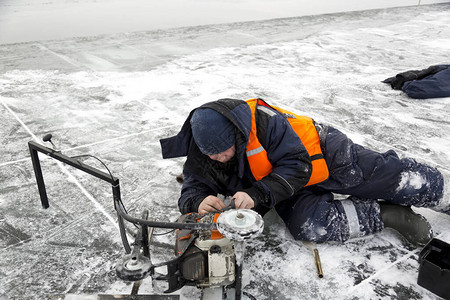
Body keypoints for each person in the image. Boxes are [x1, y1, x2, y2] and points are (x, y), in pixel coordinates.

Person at [160, 98, 447, 246]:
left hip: (321, 155)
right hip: (283, 187)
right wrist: (196, 201)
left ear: (236, 135)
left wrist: (258, 192)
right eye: (212, 154)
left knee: (394, 179)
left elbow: (297, 165)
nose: (218, 158)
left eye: (224, 150)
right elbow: (193, 185)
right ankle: (390, 216)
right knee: (309, 225)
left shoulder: (265, 123)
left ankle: (443, 194)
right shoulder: (203, 149)